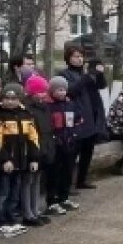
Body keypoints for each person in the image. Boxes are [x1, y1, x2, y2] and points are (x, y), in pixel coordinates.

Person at [0, 83, 40, 237]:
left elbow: (34, 139)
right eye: (6, 98)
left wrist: (34, 158)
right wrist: (5, 160)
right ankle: (0, 221)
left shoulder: (27, 115)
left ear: (20, 99)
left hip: (21, 162)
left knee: (15, 192)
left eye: (14, 98)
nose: (10, 101)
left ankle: (12, 218)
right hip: (6, 164)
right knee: (2, 193)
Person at [58, 46, 107, 191]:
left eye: (81, 56)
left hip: (91, 115)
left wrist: (99, 74)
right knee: (73, 153)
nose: (79, 59)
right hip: (77, 116)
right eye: (75, 56)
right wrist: (87, 76)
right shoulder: (64, 74)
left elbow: (102, 85)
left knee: (88, 151)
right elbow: (71, 91)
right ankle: (68, 184)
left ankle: (82, 180)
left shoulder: (86, 73)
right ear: (68, 59)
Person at [45, 76, 81, 214]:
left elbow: (78, 120)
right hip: (56, 144)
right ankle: (51, 201)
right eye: (59, 90)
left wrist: (75, 134)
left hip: (69, 142)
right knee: (54, 173)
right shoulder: (49, 107)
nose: (62, 92)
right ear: (52, 90)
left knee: (67, 171)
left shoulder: (70, 104)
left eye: (64, 90)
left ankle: (64, 197)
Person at [23, 75, 57, 224]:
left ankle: (35, 209)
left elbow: (48, 130)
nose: (42, 95)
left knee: (37, 181)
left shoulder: (45, 108)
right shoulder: (28, 109)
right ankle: (27, 212)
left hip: (45, 147)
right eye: (39, 92)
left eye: (44, 92)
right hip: (33, 149)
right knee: (28, 181)